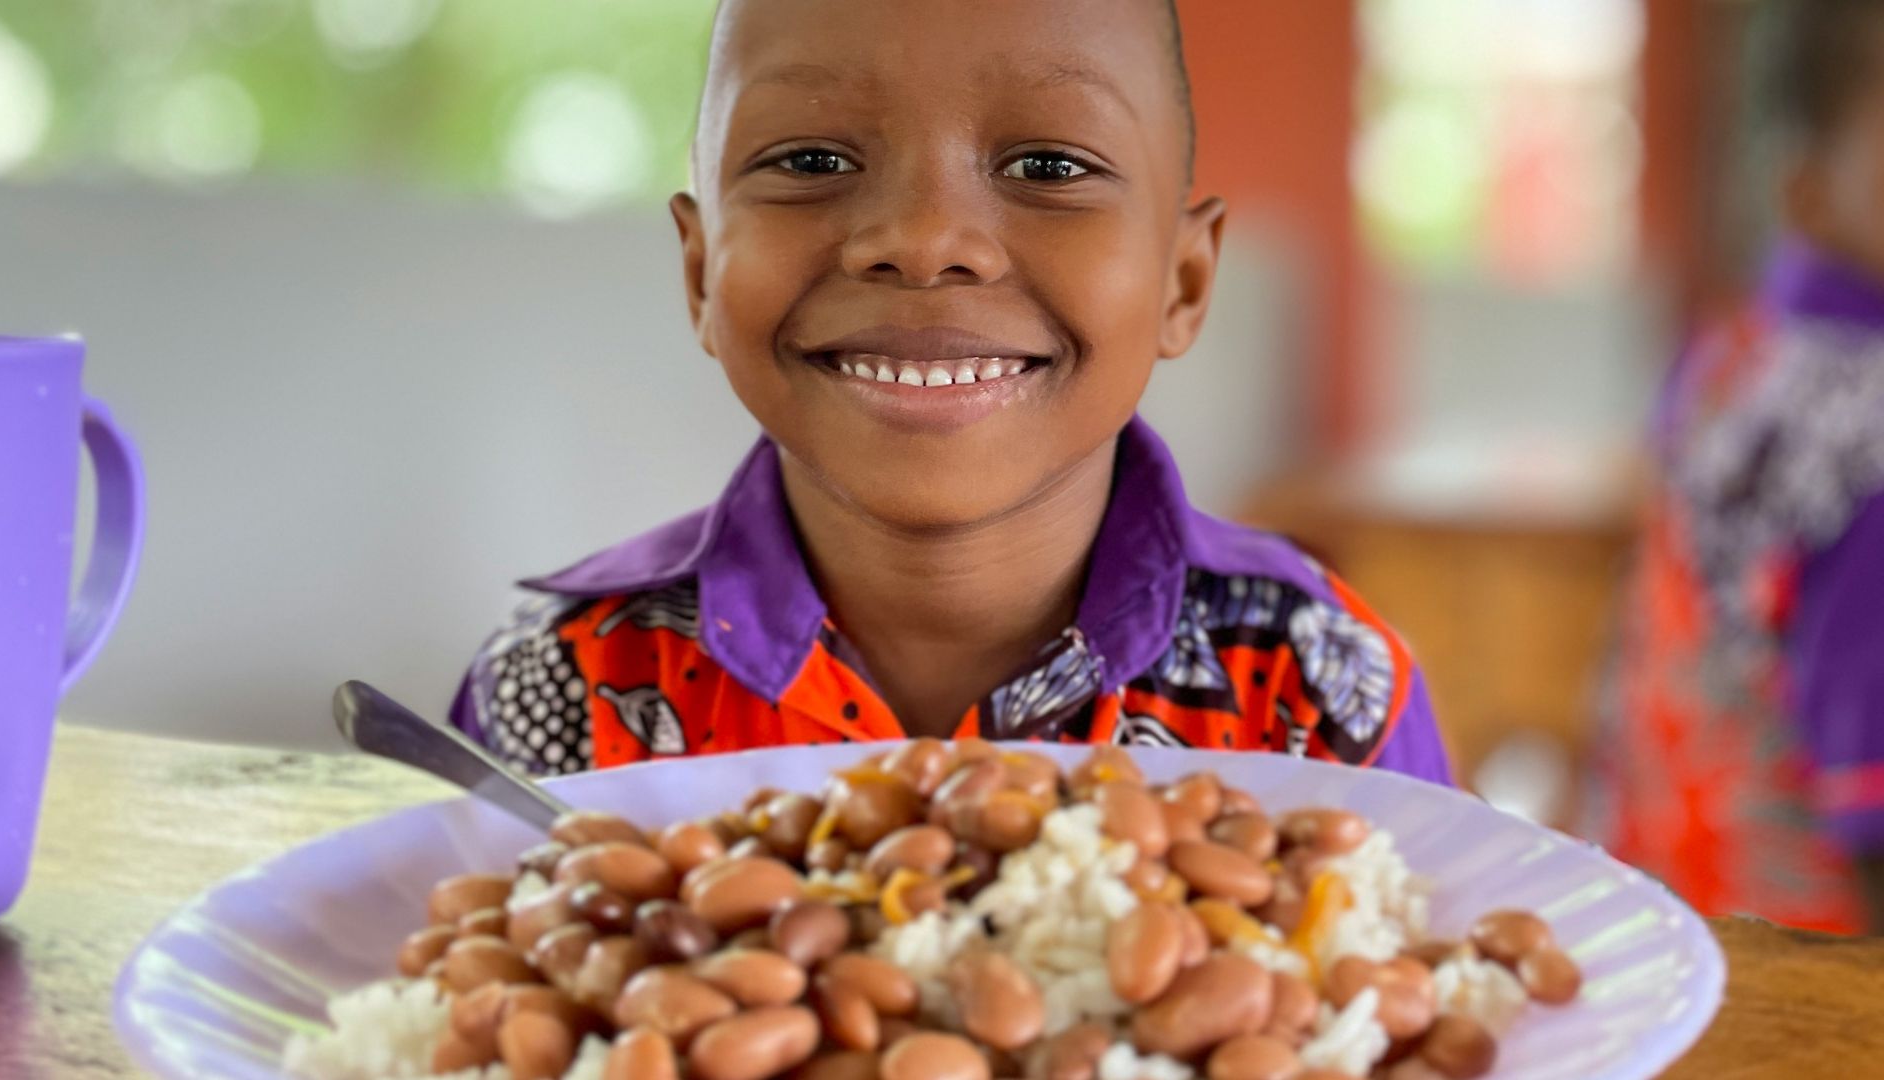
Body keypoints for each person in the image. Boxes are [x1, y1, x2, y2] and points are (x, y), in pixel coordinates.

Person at [449, 0, 1451, 786]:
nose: (924, 241)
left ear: (1182, 282)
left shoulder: (1318, 694)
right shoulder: (563, 687)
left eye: (1050, 164)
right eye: (810, 160)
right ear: (702, 271)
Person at [1594, 0, 1884, 933]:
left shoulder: (1726, 354)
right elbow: (1868, 795)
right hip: (1819, 973)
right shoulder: (1870, 435)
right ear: (1804, 187)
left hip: (1658, 916)